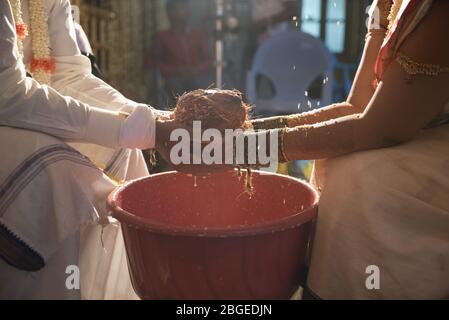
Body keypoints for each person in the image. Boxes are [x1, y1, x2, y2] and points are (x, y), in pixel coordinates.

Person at [237, 0, 449, 299]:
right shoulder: (390, 4)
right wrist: (247, 131)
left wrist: (246, 147)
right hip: (405, 129)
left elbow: (382, 128)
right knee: (338, 165)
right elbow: (358, 106)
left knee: (360, 177)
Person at [0, 0, 187, 299]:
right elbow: (6, 92)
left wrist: (152, 121)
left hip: (23, 111)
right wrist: (132, 129)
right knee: (59, 171)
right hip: (8, 108)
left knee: (123, 152)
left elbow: (69, 77)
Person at [152, 0, 212, 105]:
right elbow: (155, 63)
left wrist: (195, 70)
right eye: (174, 10)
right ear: (168, 13)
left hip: (197, 77)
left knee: (202, 90)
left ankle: (197, 119)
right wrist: (176, 70)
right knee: (175, 89)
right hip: (175, 80)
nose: (179, 13)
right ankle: (183, 117)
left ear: (188, 11)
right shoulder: (162, 37)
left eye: (182, 9)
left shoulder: (198, 34)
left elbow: (208, 60)